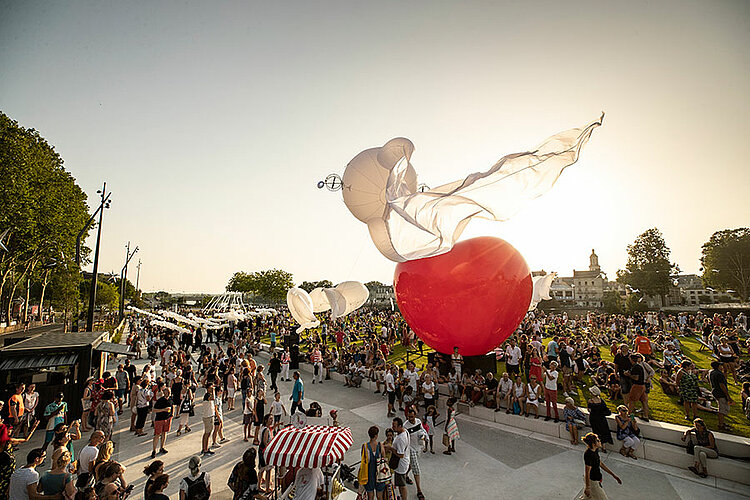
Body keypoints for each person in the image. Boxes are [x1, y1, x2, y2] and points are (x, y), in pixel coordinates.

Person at [581, 433, 621, 499]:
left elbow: (600, 463)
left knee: (588, 498)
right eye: (598, 440)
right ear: (594, 444)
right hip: (593, 482)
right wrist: (588, 487)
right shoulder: (588, 454)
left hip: (597, 479)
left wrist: (613, 475)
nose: (600, 441)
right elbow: (587, 471)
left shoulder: (595, 450)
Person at [358, 426, 387, 500]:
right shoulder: (380, 446)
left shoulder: (364, 446)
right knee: (379, 496)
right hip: (380, 474)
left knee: (370, 497)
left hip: (368, 474)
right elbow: (384, 458)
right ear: (376, 435)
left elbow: (363, 459)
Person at [384, 417, 410, 500]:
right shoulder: (404, 431)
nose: (392, 427)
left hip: (401, 464)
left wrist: (390, 448)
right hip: (402, 463)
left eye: (394, 426)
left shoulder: (401, 439)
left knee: (402, 485)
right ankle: (402, 497)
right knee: (399, 483)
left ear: (400, 426)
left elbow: (400, 454)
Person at [404, 408, 427, 500]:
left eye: (412, 417)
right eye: (409, 417)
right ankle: (419, 490)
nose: (411, 419)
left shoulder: (418, 421)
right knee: (416, 468)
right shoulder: (405, 426)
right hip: (410, 449)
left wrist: (425, 437)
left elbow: (423, 430)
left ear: (415, 416)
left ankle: (404, 476)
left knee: (411, 465)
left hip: (418, 447)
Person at [586, 387, 613, 453]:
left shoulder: (590, 401)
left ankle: (596, 446)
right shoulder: (601, 400)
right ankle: (603, 447)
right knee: (603, 432)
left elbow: (589, 410)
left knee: (596, 432)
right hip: (601, 418)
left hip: (594, 418)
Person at [708, 361, 732, 431]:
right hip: (721, 393)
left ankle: (722, 422)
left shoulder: (711, 372)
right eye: (720, 366)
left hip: (715, 391)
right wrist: (727, 395)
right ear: (718, 366)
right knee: (722, 409)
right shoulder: (719, 374)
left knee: (723, 408)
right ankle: (721, 425)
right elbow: (722, 385)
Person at [152, 387, 173, 458]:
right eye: (167, 391)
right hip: (159, 419)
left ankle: (162, 447)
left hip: (167, 418)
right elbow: (154, 410)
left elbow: (172, 407)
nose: (169, 393)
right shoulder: (160, 400)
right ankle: (154, 450)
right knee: (157, 434)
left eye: (169, 391)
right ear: (164, 392)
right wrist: (164, 410)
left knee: (165, 433)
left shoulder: (170, 399)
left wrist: (171, 415)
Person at [257, 414, 274, 494]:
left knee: (261, 469)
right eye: (270, 419)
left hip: (261, 450)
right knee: (268, 470)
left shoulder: (262, 428)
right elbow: (265, 442)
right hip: (265, 452)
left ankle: (259, 486)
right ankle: (267, 488)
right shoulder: (266, 430)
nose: (272, 420)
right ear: (266, 420)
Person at [201, 385, 216, 456]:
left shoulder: (208, 395)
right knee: (207, 433)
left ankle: (205, 447)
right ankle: (205, 449)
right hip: (208, 417)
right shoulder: (207, 395)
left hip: (210, 415)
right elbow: (213, 398)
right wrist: (213, 391)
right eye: (210, 388)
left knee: (208, 433)